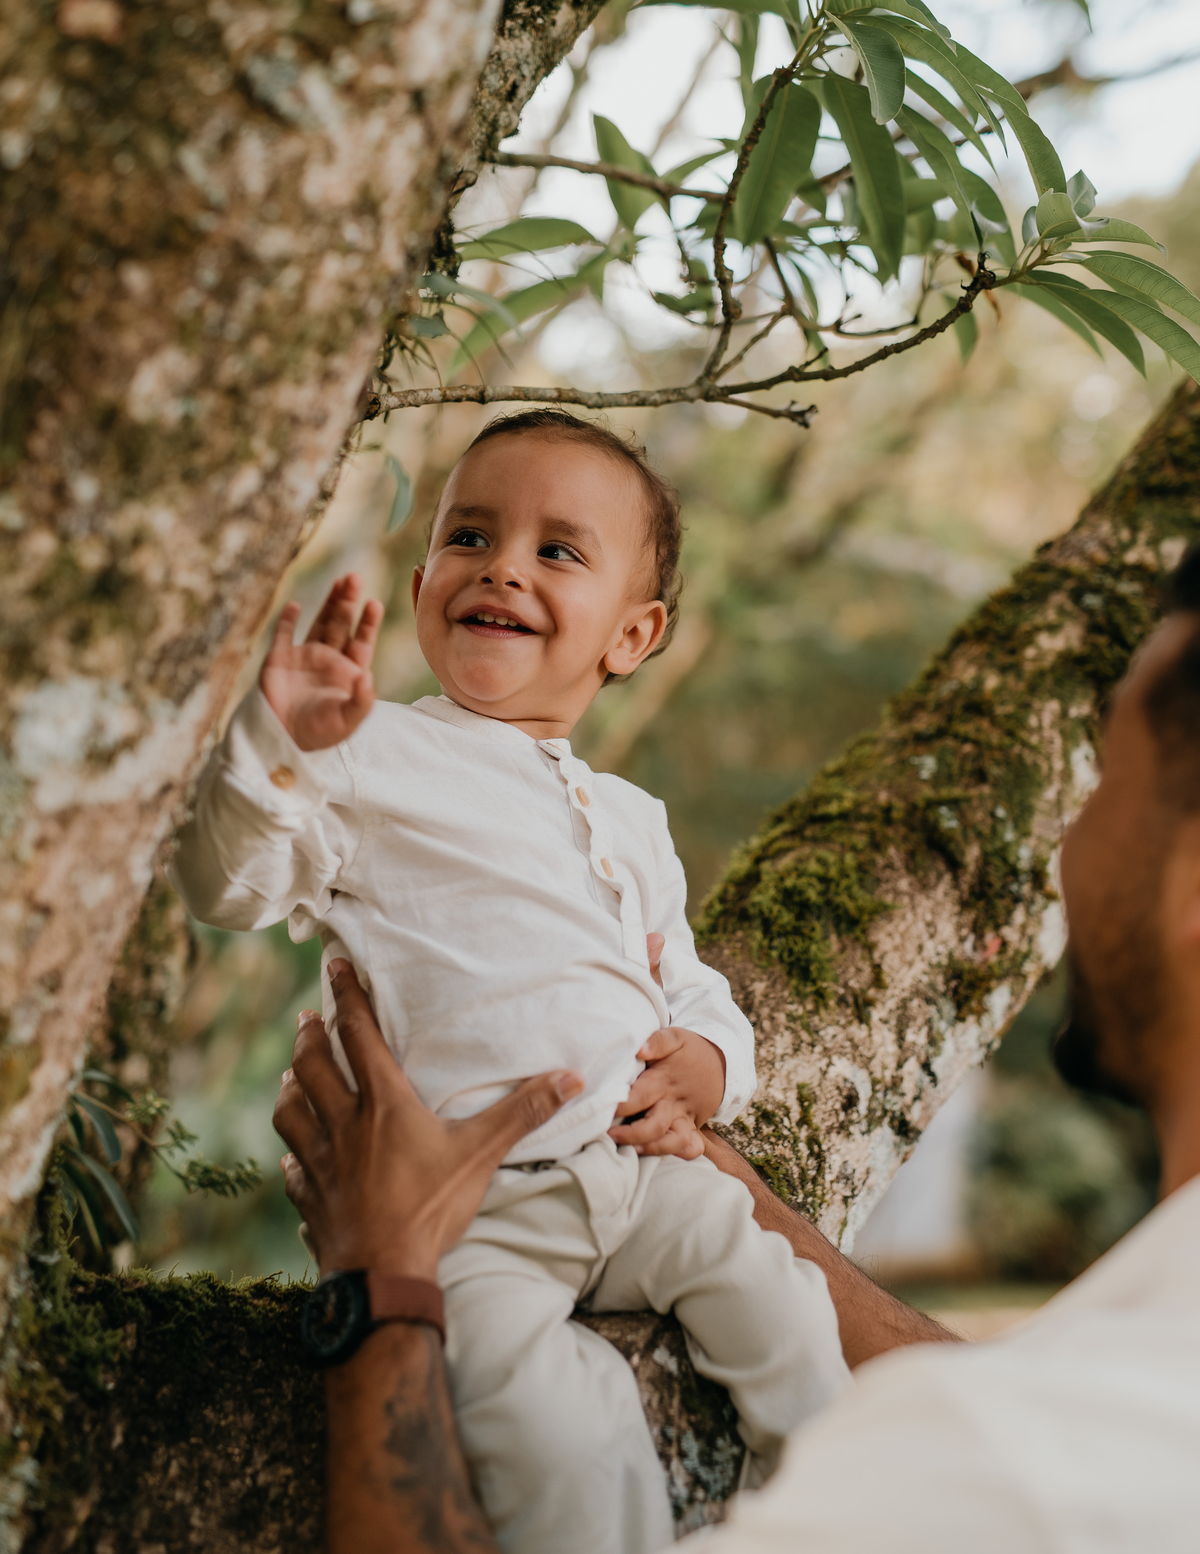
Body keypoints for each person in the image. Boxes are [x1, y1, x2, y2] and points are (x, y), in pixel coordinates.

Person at [275, 558, 1200, 1553]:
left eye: (1102, 777)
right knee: (574, 1413)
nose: (1062, 842)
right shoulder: (1124, 1378)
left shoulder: (983, 1475)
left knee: (719, 1354)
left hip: (583, 1208)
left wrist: (377, 1285)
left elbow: (1000, 1436)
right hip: (545, 1200)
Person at [171, 410, 850, 1554]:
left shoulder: (634, 819)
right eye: (470, 534)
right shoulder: (369, 748)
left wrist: (709, 1065)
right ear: (427, 569)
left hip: (647, 1178)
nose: (503, 567)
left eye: (557, 550)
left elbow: (687, 981)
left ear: (631, 634)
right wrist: (276, 742)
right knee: (552, 1440)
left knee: (793, 1328)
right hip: (469, 1207)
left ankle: (846, 1514)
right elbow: (226, 883)